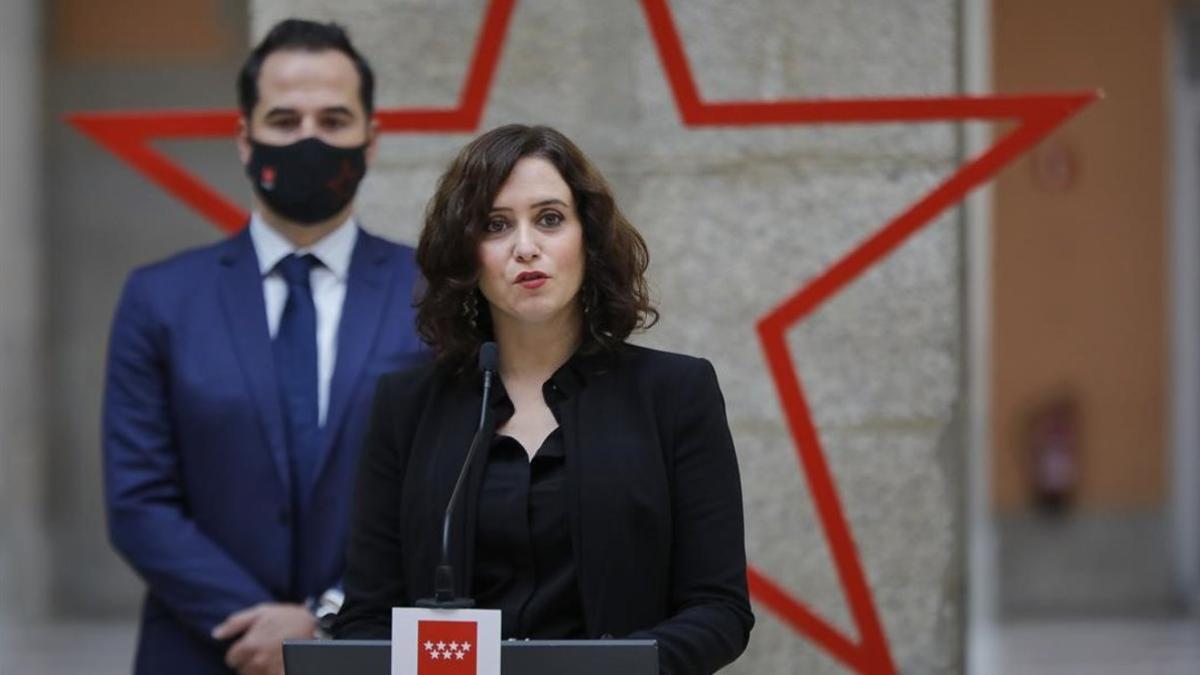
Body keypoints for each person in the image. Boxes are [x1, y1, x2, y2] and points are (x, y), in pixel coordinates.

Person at [333, 124, 754, 674]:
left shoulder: (675, 393)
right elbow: (366, 617)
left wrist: (609, 669)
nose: (525, 246)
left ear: (588, 237)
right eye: (495, 225)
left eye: (550, 219)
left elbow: (718, 609)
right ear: (467, 253)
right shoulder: (406, 405)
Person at [102, 19, 427, 675]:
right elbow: (139, 500)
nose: (310, 139)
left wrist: (325, 618)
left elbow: (447, 488)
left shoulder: (435, 297)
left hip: (370, 649)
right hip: (202, 648)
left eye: (334, 119)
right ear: (246, 140)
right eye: (285, 119)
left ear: (372, 137)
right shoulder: (160, 298)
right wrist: (262, 625)